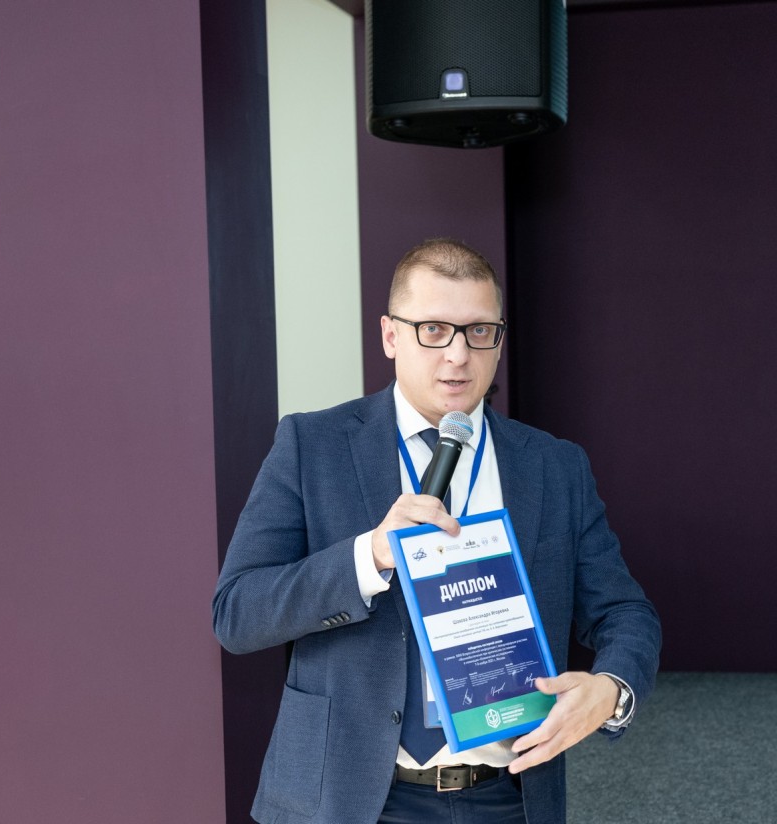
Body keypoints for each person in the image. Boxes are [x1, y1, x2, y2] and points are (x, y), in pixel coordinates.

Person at [213, 238, 661, 824]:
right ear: (390, 336)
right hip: (349, 798)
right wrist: (369, 555)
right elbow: (238, 613)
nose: (458, 355)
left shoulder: (555, 466)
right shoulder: (311, 446)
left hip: (510, 795)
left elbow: (625, 611)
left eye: (479, 331)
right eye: (433, 329)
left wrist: (612, 690)